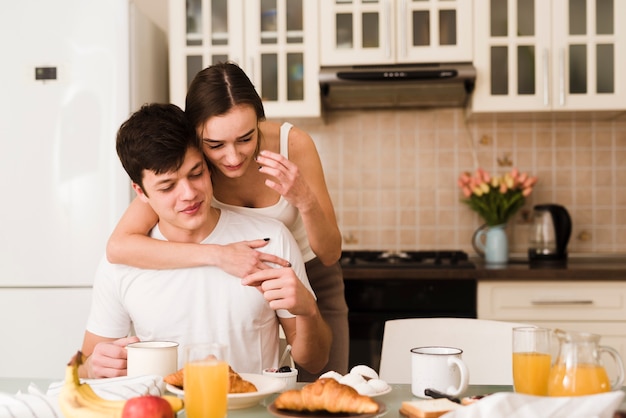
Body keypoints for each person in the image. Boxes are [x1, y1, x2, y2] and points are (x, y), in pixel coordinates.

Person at [106, 63, 348, 380]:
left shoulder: (294, 145)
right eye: (216, 145)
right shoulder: (190, 168)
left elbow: (330, 254)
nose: (232, 158)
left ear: (259, 122)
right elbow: (119, 246)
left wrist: (304, 198)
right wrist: (219, 254)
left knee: (327, 390)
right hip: (237, 279)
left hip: (310, 274)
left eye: (246, 139)